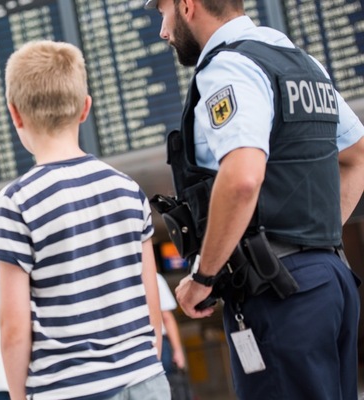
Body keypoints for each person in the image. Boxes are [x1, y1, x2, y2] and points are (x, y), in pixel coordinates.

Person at [146, 0, 364, 398]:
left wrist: (203, 277)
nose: (162, 31)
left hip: (277, 293)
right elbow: (356, 155)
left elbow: (243, 177)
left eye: (163, 12)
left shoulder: (227, 67)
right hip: (331, 280)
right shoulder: (301, 62)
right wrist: (313, 239)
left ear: (187, 6)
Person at [0, 40, 169, 400]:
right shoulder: (127, 189)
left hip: (67, 390)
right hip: (146, 379)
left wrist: (17, 395)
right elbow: (152, 305)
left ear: (15, 114)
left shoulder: (17, 202)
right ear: (85, 108)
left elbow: (13, 327)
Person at [157, 274, 191, 400]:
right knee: (170, 386)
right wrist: (178, 350)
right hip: (161, 343)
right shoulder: (154, 278)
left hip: (137, 345)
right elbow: (166, 317)